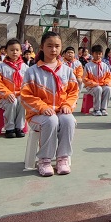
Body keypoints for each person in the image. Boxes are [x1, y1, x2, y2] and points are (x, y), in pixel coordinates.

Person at [21, 32, 79, 176]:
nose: (53, 49)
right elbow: (26, 95)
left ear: (61, 48)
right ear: (41, 47)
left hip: (59, 111)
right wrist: (42, 107)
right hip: (37, 114)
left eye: (57, 46)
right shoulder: (32, 71)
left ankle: (63, 158)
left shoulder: (67, 70)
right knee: (51, 120)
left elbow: (73, 92)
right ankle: (45, 160)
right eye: (49, 46)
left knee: (68, 119)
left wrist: (68, 105)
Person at [0, 39, 29, 137]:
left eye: (17, 50)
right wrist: (7, 93)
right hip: (3, 97)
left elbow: (29, 84)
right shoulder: (1, 67)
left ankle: (19, 127)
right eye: (11, 50)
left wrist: (23, 93)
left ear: (21, 51)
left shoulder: (25, 67)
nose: (15, 52)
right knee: (12, 102)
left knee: (22, 101)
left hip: (20, 95)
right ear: (6, 51)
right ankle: (9, 128)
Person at [82, 44, 111, 116]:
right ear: (92, 54)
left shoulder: (105, 65)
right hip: (91, 87)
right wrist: (94, 84)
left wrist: (106, 82)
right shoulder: (88, 65)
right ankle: (96, 109)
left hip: (102, 85)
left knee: (108, 89)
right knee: (98, 89)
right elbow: (85, 79)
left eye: (99, 54)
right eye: (96, 53)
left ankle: (103, 109)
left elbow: (109, 77)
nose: (98, 55)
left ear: (102, 54)